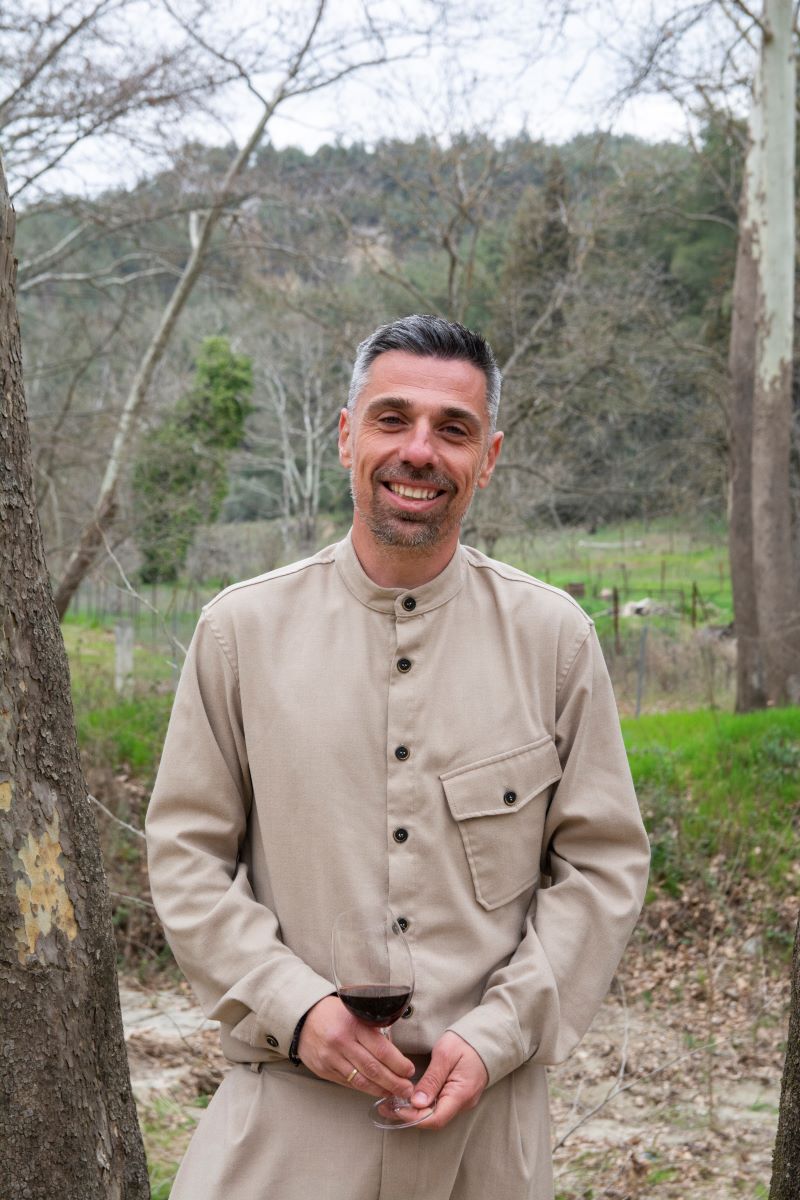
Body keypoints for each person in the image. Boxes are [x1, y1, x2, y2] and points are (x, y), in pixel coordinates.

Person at [145, 314, 650, 1200]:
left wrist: (498, 1034)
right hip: (284, 1126)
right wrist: (295, 1007)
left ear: (488, 458)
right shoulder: (239, 634)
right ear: (347, 436)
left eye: (453, 429)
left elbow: (603, 866)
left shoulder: (556, 642)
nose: (420, 450)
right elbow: (186, 856)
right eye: (392, 419)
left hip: (487, 1138)